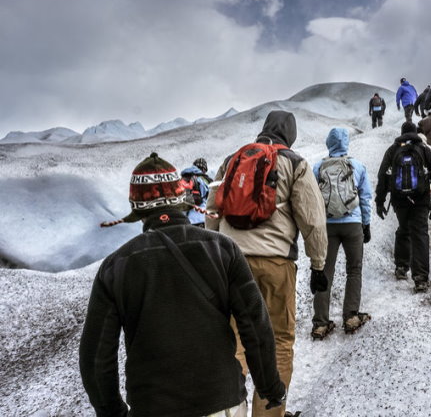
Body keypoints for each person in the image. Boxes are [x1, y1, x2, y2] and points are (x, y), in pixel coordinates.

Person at [82, 152, 285, 417]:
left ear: (137, 208)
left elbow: (96, 357)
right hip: (222, 400)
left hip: (153, 407)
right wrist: (269, 386)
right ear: (181, 199)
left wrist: (112, 412)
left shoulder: (116, 267)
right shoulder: (222, 249)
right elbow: (255, 325)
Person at [206, 110, 328, 417]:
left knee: (234, 341)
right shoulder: (295, 163)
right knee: (278, 341)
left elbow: (212, 209)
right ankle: (269, 413)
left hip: (232, 264)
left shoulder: (233, 159)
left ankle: (230, 410)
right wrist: (318, 265)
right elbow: (312, 220)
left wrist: (217, 253)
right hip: (277, 264)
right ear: (291, 135)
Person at [311, 128, 373, 339]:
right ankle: (351, 316)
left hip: (327, 225)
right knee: (354, 270)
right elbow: (365, 197)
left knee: (324, 272)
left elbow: (311, 198)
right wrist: (366, 224)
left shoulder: (318, 166)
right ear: (346, 144)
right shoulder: (357, 166)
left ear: (329, 143)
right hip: (352, 223)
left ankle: (320, 323)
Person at [375, 122, 431, 293]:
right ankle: (420, 278)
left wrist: (380, 201)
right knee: (420, 234)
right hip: (421, 199)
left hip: (400, 200)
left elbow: (383, 175)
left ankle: (401, 267)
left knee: (404, 229)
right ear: (415, 133)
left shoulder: (393, 150)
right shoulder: (424, 149)